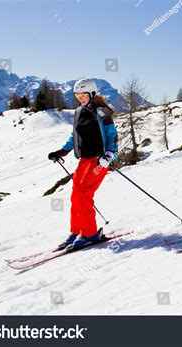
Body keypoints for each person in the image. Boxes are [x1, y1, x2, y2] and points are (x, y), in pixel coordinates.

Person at [47, 78, 118, 249]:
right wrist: (62, 151)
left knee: (84, 192)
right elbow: (75, 137)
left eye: (83, 95)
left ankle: (90, 233)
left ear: (92, 94)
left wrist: (110, 155)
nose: (80, 98)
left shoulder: (102, 112)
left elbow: (112, 136)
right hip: (85, 159)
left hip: (99, 160)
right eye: (77, 95)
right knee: (76, 193)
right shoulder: (79, 112)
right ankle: (77, 230)